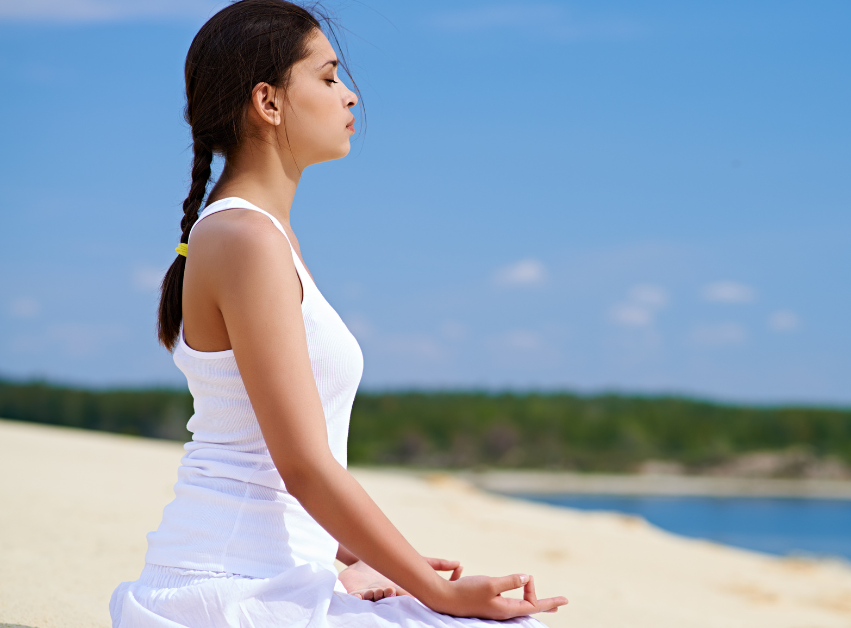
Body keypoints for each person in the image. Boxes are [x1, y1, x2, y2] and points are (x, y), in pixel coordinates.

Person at [109, 1, 568, 626]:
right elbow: (301, 463)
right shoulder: (245, 237)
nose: (349, 95)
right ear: (268, 103)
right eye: (327, 77)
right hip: (226, 587)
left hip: (279, 571)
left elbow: (271, 455)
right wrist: (438, 594)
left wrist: (362, 556)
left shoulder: (259, 235)